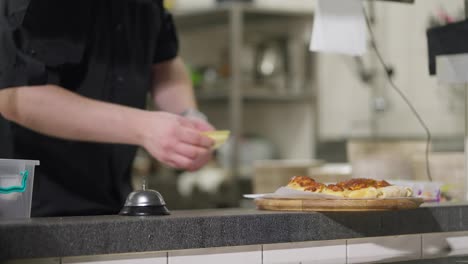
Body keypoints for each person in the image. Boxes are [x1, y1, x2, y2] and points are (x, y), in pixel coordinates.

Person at [0, 0, 215, 216]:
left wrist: (187, 116)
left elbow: (165, 61)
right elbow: (16, 96)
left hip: (115, 202)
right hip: (27, 204)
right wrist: (143, 127)